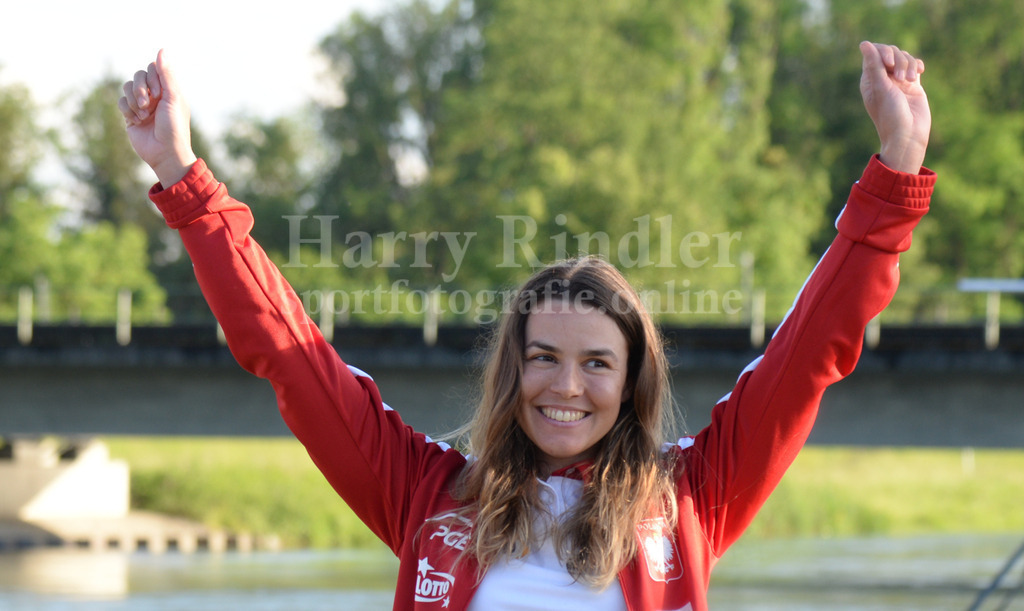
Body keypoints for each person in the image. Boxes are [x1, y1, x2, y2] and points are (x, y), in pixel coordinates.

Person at [119, 41, 935, 611]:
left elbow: (809, 353)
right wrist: (183, 181)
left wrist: (895, 170)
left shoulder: (693, 493)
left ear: (632, 382)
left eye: (597, 364)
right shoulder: (426, 493)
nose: (566, 386)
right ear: (510, 368)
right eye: (543, 356)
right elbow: (290, 354)